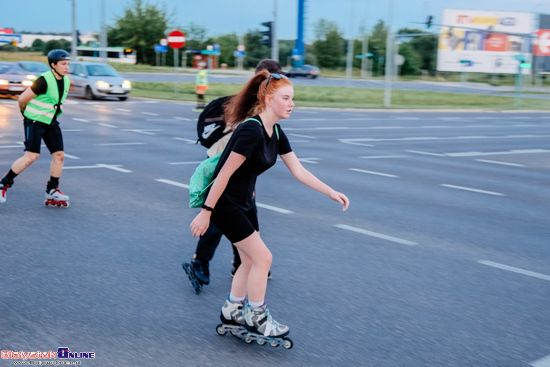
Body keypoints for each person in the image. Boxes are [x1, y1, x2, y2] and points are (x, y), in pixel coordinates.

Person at [190, 70, 349, 338]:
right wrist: (206, 213)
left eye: (292, 98)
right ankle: (257, 316)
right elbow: (223, 174)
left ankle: (232, 310)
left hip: (245, 202)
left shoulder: (275, 130)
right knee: (263, 257)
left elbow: (299, 171)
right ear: (267, 99)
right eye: (286, 98)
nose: (291, 103)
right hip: (225, 205)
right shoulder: (251, 131)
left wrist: (330, 192)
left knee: (249, 260)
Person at [185, 60, 290, 288]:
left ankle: (241, 262)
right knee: (220, 217)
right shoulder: (250, 109)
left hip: (239, 172)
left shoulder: (257, 107)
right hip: (224, 167)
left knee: (242, 219)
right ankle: (202, 262)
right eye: (276, 78)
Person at [0, 49, 71, 207]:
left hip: (50, 121)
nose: (66, 67)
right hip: (34, 121)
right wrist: (26, 115)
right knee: (31, 156)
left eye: (67, 64)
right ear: (53, 65)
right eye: (63, 64)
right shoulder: (44, 80)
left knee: (59, 155)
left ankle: (52, 189)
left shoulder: (65, 80)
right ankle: (3, 184)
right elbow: (23, 98)